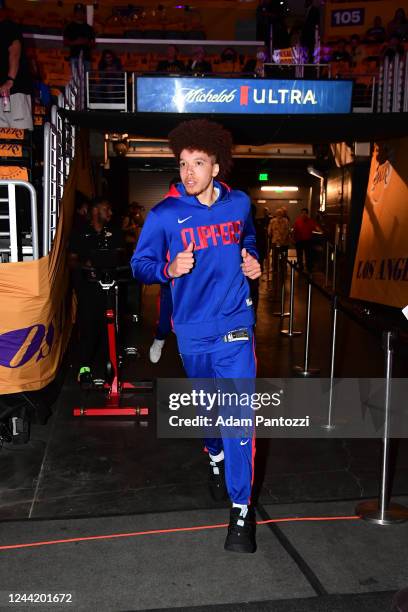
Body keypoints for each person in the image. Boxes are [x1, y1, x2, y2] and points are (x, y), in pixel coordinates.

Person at [131, 119, 261, 553]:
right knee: (209, 412)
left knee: (239, 419)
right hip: (192, 333)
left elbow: (249, 238)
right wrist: (168, 269)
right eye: (183, 163)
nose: (188, 173)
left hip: (236, 325)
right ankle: (214, 456)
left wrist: (253, 260)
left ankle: (241, 512)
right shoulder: (164, 215)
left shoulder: (239, 203)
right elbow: (140, 264)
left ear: (216, 166)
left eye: (198, 163)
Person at [68, 197, 125, 387]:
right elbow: (71, 260)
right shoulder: (80, 234)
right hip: (88, 289)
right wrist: (86, 266)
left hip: (111, 289)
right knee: (87, 327)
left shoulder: (114, 233)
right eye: (107, 209)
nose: (110, 213)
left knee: (111, 326)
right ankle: (84, 368)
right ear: (95, 211)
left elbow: (121, 255)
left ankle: (112, 365)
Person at [0, 6, 33, 131]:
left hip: (15, 91)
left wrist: (10, 80)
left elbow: (15, 52)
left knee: (20, 135)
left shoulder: (9, 27)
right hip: (4, 92)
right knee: (4, 138)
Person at [63, 3, 95, 76]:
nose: (80, 14)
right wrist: (76, 42)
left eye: (81, 12)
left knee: (87, 80)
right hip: (74, 57)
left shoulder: (89, 28)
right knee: (75, 79)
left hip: (87, 58)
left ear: (84, 14)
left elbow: (93, 44)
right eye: (78, 12)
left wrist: (87, 42)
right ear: (75, 13)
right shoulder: (69, 27)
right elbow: (65, 42)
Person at [292, 207, 321, 273]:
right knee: (299, 255)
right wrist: (293, 239)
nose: (304, 214)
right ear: (301, 214)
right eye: (302, 213)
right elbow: (295, 230)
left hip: (308, 240)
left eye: (305, 213)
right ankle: (300, 267)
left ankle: (309, 267)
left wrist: (320, 231)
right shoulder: (297, 221)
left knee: (308, 255)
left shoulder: (311, 221)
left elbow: (316, 227)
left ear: (307, 214)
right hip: (299, 240)